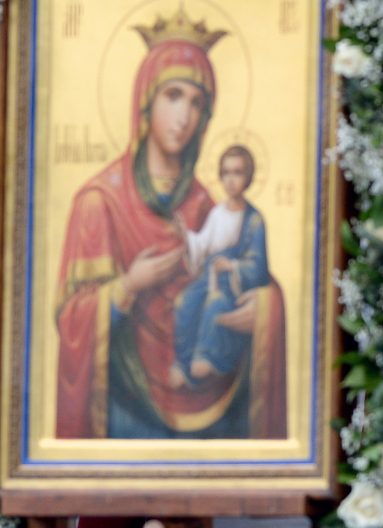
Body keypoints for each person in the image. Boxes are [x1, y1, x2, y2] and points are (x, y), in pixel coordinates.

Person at [56, 7, 286, 441]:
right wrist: (128, 285)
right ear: (146, 100)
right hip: (124, 409)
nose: (185, 116)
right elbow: (68, 319)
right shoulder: (99, 202)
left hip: (208, 408)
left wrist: (264, 309)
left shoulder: (207, 204)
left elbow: (243, 269)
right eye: (174, 96)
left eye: (198, 103)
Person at [170, 145, 273, 388]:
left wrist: (233, 266)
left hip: (232, 284)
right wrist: (186, 236)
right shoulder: (217, 213)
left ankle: (207, 358)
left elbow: (258, 266)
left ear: (248, 177)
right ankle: (184, 362)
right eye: (226, 173)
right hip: (209, 276)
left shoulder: (254, 220)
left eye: (237, 173)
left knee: (215, 303)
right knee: (184, 302)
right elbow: (203, 245)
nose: (231, 180)